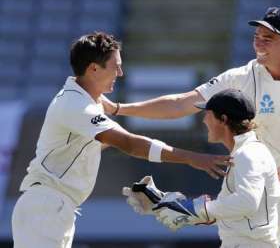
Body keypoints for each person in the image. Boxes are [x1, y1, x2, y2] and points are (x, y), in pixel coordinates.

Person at [104, 7, 280, 247]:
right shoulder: (242, 77)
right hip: (271, 185)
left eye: (269, 38)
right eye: (257, 37)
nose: (259, 44)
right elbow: (181, 104)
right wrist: (118, 109)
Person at [11, 32, 231, 248]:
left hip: (52, 208)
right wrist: (191, 158)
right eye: (115, 66)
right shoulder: (77, 105)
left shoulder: (86, 100)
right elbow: (129, 144)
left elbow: (110, 144)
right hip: (46, 207)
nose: (121, 72)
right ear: (93, 69)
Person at [124, 89, 280, 248]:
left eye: (208, 114)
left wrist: (194, 209)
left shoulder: (249, 153)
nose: (204, 121)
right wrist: (164, 204)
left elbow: (247, 202)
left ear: (223, 119)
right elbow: (235, 212)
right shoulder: (245, 152)